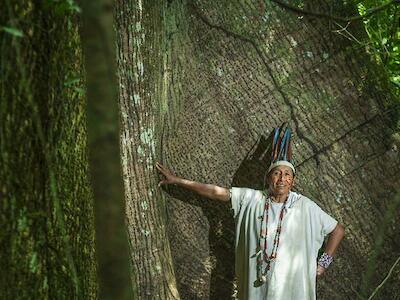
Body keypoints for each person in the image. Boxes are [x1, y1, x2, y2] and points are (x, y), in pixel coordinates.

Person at [156, 127, 345, 300]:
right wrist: (179, 181)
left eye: (287, 174)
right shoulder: (253, 199)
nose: (282, 178)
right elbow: (215, 192)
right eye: (277, 173)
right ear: (268, 178)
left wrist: (322, 265)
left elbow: (337, 230)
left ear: (293, 181)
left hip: (292, 289)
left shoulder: (304, 206)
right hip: (258, 288)